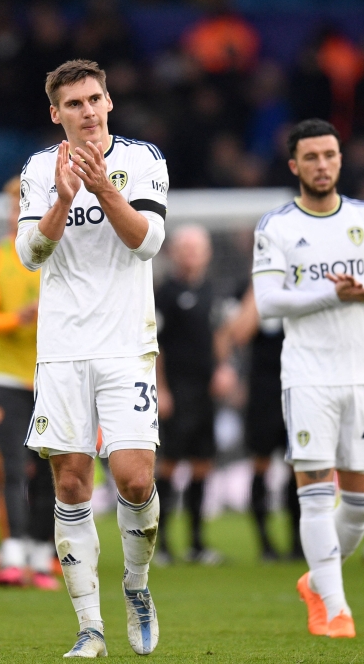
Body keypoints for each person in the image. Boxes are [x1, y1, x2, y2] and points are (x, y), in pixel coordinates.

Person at [16, 59, 168, 657]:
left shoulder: (143, 160)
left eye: (95, 99)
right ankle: (90, 627)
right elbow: (31, 253)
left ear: (110, 102)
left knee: (134, 479)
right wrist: (61, 198)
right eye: (74, 103)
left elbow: (147, 242)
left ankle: (135, 587)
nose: (88, 111)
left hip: (127, 343)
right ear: (57, 113)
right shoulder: (37, 169)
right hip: (61, 349)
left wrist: (102, 188)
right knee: (73, 483)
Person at [251, 118, 364, 638]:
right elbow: (268, 303)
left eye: (330, 155)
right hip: (308, 376)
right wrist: (331, 293)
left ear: (341, 160)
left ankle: (317, 580)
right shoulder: (275, 226)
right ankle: (337, 611)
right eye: (312, 157)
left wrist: (362, 287)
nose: (323, 165)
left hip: (362, 373)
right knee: (317, 490)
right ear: (294, 165)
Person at [0, 175, 58, 590]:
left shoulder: (57, 253)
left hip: (51, 372)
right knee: (10, 468)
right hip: (6, 377)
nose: (16, 215)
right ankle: (11, 553)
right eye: (12, 208)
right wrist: (18, 318)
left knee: (48, 469)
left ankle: (41, 557)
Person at [153, 225, 227, 566]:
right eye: (185, 247)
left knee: (202, 464)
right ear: (174, 252)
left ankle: (197, 543)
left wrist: (225, 368)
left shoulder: (214, 291)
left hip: (205, 390)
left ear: (207, 253)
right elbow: (155, 347)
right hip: (175, 390)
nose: (191, 254)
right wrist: (161, 389)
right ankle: (162, 544)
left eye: (197, 248)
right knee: (168, 464)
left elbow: (220, 336)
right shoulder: (163, 292)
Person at [219, 286, 302, 562]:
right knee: (261, 464)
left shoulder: (301, 283)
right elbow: (239, 335)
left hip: (299, 388)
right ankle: (266, 544)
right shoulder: (249, 289)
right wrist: (259, 288)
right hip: (263, 392)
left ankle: (298, 544)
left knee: (298, 466)